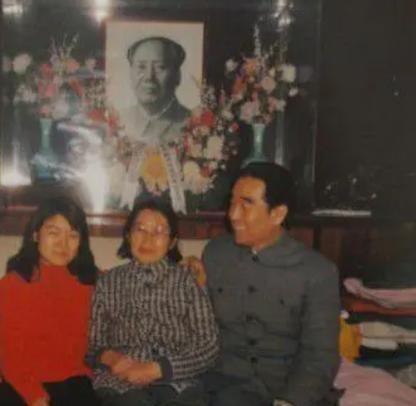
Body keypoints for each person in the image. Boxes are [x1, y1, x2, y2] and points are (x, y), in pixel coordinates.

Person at [201, 162, 340, 406]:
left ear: (278, 214)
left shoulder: (317, 272)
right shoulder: (216, 254)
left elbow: (320, 356)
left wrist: (291, 401)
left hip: (288, 390)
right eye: (232, 203)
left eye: (246, 204)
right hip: (224, 388)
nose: (233, 214)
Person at [87, 199, 219, 406]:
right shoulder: (107, 283)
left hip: (178, 383)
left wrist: (159, 369)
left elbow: (208, 346)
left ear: (172, 242)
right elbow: (91, 345)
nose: (148, 239)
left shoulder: (187, 282)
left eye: (159, 231)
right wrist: (110, 358)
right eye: (140, 230)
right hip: (121, 383)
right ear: (128, 235)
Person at [0, 197, 101, 406]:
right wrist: (34, 396)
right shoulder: (11, 285)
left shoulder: (92, 284)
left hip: (74, 382)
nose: (62, 244)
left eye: (72, 235)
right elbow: (10, 355)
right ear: (35, 234)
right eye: (53, 232)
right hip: (18, 382)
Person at [119, 36, 191, 145]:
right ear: (131, 73)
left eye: (160, 67)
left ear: (177, 75)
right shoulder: (119, 120)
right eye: (141, 67)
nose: (149, 76)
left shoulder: (192, 124)